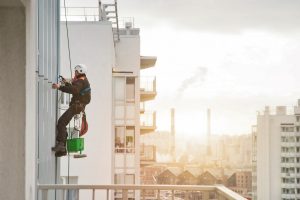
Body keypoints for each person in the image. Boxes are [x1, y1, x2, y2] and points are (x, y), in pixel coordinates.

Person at [51, 64, 91, 157]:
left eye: (76, 71)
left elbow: (74, 90)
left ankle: (61, 145)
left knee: (61, 123)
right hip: (77, 106)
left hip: (76, 107)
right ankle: (62, 149)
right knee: (62, 123)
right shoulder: (83, 81)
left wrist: (59, 87)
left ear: (80, 72)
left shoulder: (81, 81)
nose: (75, 72)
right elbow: (77, 89)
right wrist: (66, 83)